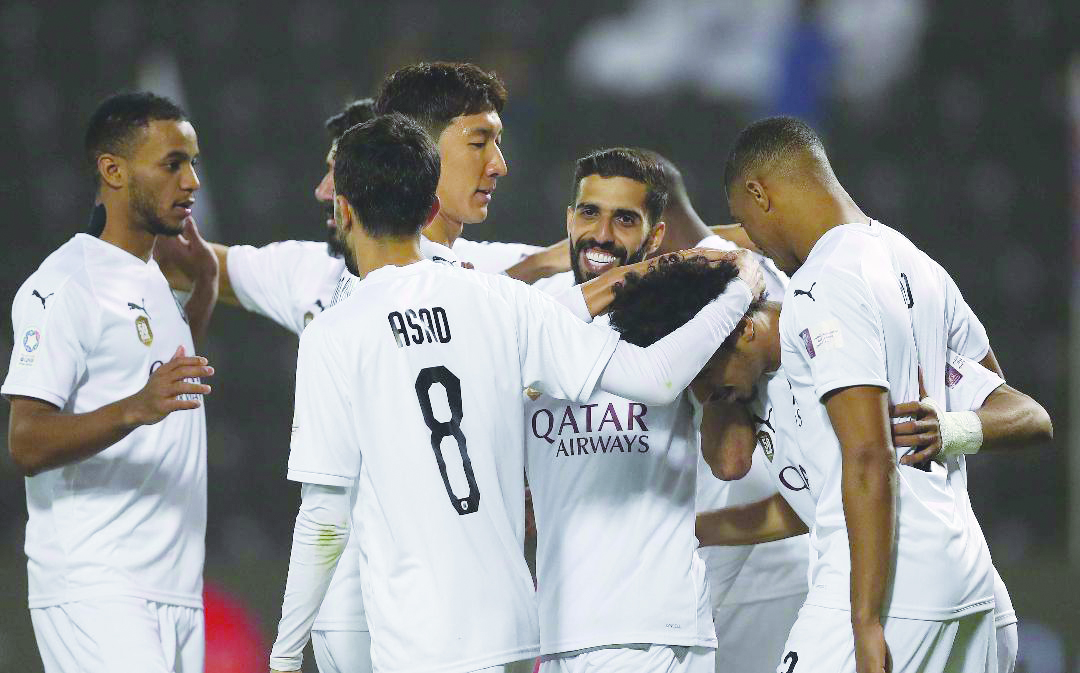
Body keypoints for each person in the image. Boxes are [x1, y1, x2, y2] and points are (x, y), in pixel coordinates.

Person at [267, 114, 761, 673]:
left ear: (344, 209)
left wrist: (284, 655)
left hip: (420, 640)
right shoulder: (501, 301)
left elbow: (325, 517)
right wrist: (739, 286)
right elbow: (654, 378)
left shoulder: (335, 331)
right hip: (517, 631)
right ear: (431, 207)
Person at [608, 260, 1049, 673]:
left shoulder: (839, 326)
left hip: (903, 592)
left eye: (706, 381)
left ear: (742, 329)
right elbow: (741, 468)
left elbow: (1031, 416)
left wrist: (952, 429)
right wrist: (694, 528)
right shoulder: (749, 382)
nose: (705, 397)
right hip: (947, 595)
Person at [721, 115, 1013, 673]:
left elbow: (868, 454)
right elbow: (1002, 401)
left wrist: (865, 620)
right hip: (971, 576)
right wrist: (954, 429)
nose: (752, 239)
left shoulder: (825, 280)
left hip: (886, 586)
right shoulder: (918, 264)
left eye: (743, 220)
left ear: (760, 194)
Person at [2, 92, 218, 673]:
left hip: (172, 584)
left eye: (193, 162)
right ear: (113, 170)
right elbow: (25, 441)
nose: (192, 180)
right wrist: (132, 409)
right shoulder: (66, 285)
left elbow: (166, 381)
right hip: (96, 582)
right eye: (172, 163)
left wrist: (205, 288)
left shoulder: (152, 275)